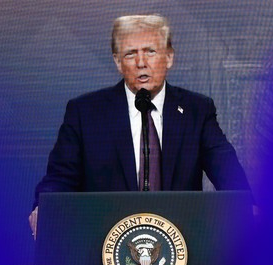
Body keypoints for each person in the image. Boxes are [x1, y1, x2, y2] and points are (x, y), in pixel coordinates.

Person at [29, 14, 249, 237]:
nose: (141, 62)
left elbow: (225, 168)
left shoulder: (196, 110)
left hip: (182, 240)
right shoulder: (85, 112)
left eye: (150, 51)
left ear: (169, 57)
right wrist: (44, 207)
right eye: (130, 53)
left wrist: (245, 204)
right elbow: (61, 177)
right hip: (105, 241)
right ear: (117, 62)